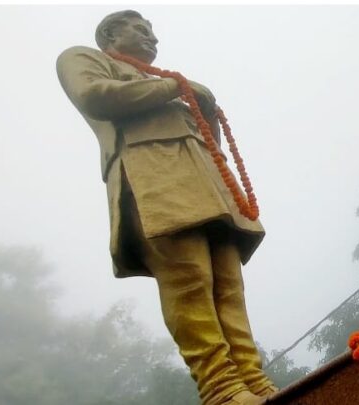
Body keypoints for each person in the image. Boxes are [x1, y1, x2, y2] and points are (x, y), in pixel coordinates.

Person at [56, 10, 275, 405]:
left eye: (154, 31)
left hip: (205, 185)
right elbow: (95, 96)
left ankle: (253, 379)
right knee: (188, 278)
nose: (152, 38)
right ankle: (221, 387)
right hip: (151, 177)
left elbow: (210, 140)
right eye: (140, 29)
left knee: (229, 283)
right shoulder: (83, 57)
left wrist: (199, 104)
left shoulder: (163, 81)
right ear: (110, 34)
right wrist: (178, 86)